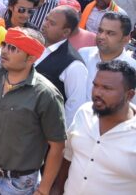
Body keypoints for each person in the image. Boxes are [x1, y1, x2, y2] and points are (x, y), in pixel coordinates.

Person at [0, 27, 66, 195]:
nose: (5, 51)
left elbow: (57, 146)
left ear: (31, 58)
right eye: (4, 45)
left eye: (13, 48)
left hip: (19, 183)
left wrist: (43, 190)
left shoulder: (46, 95)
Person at [53, 60, 136, 195]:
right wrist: (57, 189)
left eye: (107, 88)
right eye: (95, 85)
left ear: (129, 95)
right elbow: (68, 156)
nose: (97, 93)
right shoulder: (84, 112)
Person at [38, 6, 88, 125]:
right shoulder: (35, 44)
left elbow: (74, 108)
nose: (45, 24)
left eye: (52, 23)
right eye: (46, 19)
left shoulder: (74, 65)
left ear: (66, 32)